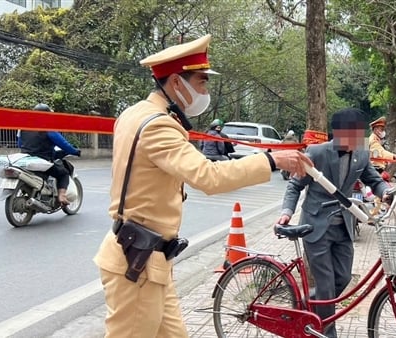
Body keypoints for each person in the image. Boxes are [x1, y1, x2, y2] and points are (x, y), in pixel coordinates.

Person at [92, 34, 312, 338]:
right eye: (201, 81)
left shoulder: (134, 113)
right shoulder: (158, 125)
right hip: (138, 262)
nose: (205, 90)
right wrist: (272, 161)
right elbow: (208, 177)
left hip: (149, 259)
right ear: (176, 83)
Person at [278, 108, 394, 338]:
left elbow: (373, 179)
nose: (355, 141)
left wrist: (386, 191)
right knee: (327, 287)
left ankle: (309, 306)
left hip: (344, 227)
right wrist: (287, 212)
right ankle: (326, 333)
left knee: (342, 279)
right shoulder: (317, 152)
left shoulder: (361, 154)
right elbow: (294, 185)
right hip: (316, 226)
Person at [17, 103, 81, 205]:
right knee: (63, 173)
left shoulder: (23, 127)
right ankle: (62, 196)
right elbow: (63, 144)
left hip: (25, 159)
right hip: (42, 160)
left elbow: (20, 144)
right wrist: (75, 151)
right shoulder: (48, 128)